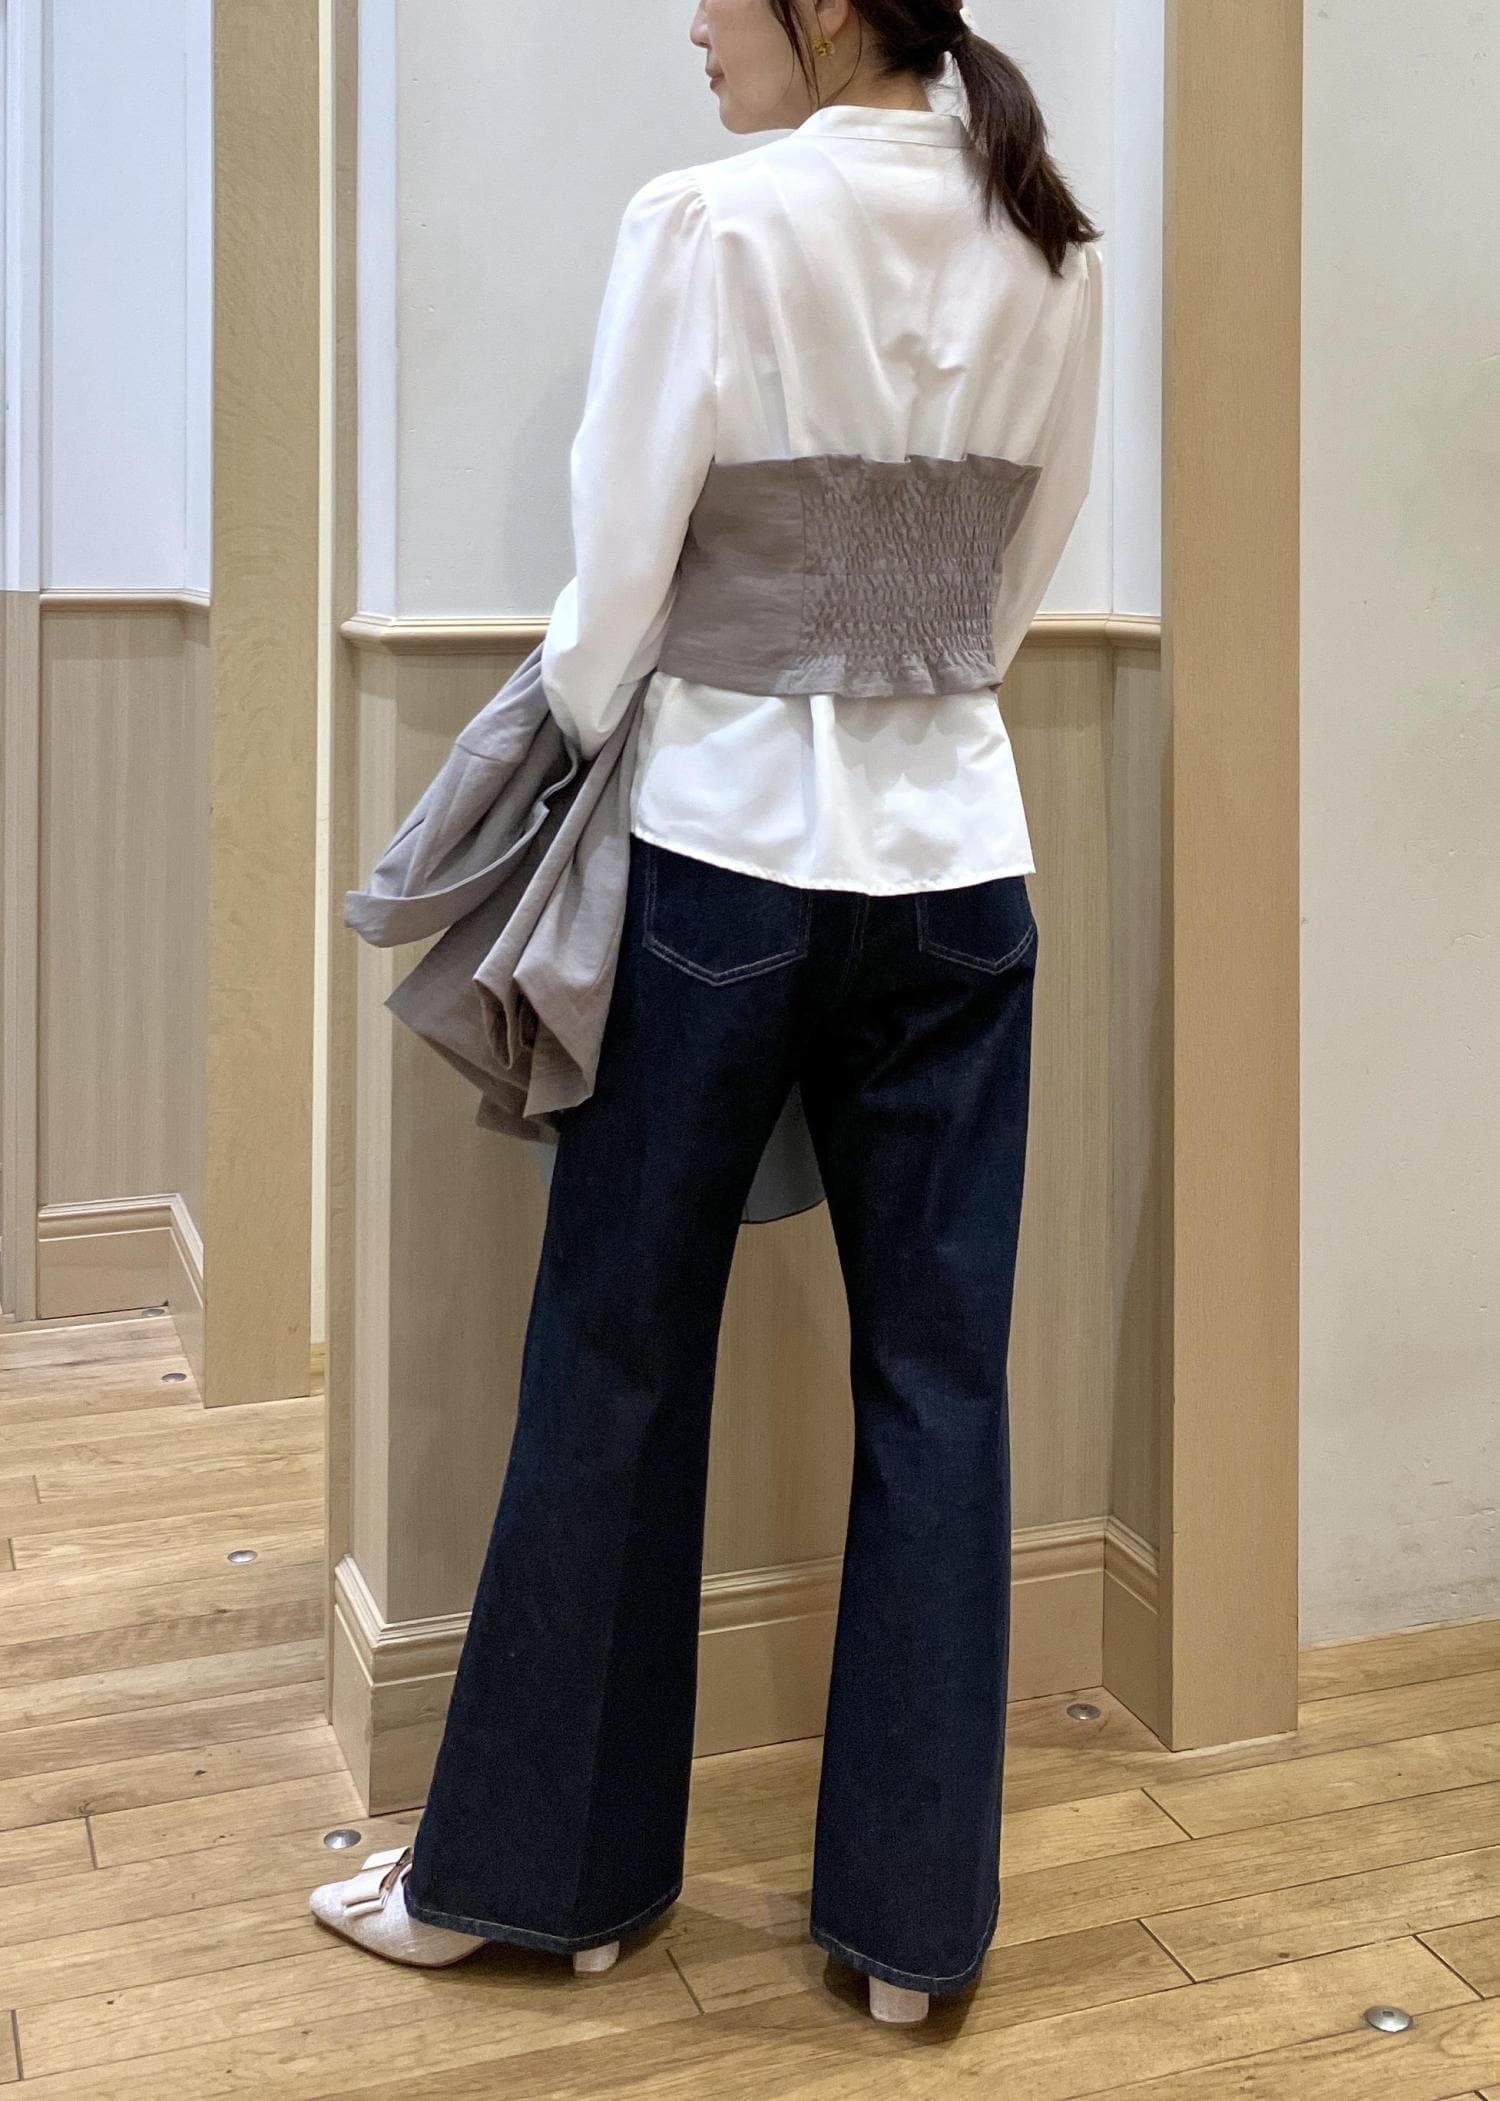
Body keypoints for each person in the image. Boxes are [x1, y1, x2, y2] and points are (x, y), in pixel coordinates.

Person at [312, 0, 1103, 2025]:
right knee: (941, 1382)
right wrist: (906, 680)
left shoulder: (708, 223)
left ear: (824, 6)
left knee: (617, 1346)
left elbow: (614, 584)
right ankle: (913, 1937)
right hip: (960, 864)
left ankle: (545, 1885)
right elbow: (1014, 587)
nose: (691, 22)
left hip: (725, 854)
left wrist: (592, 734)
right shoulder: (1052, 242)